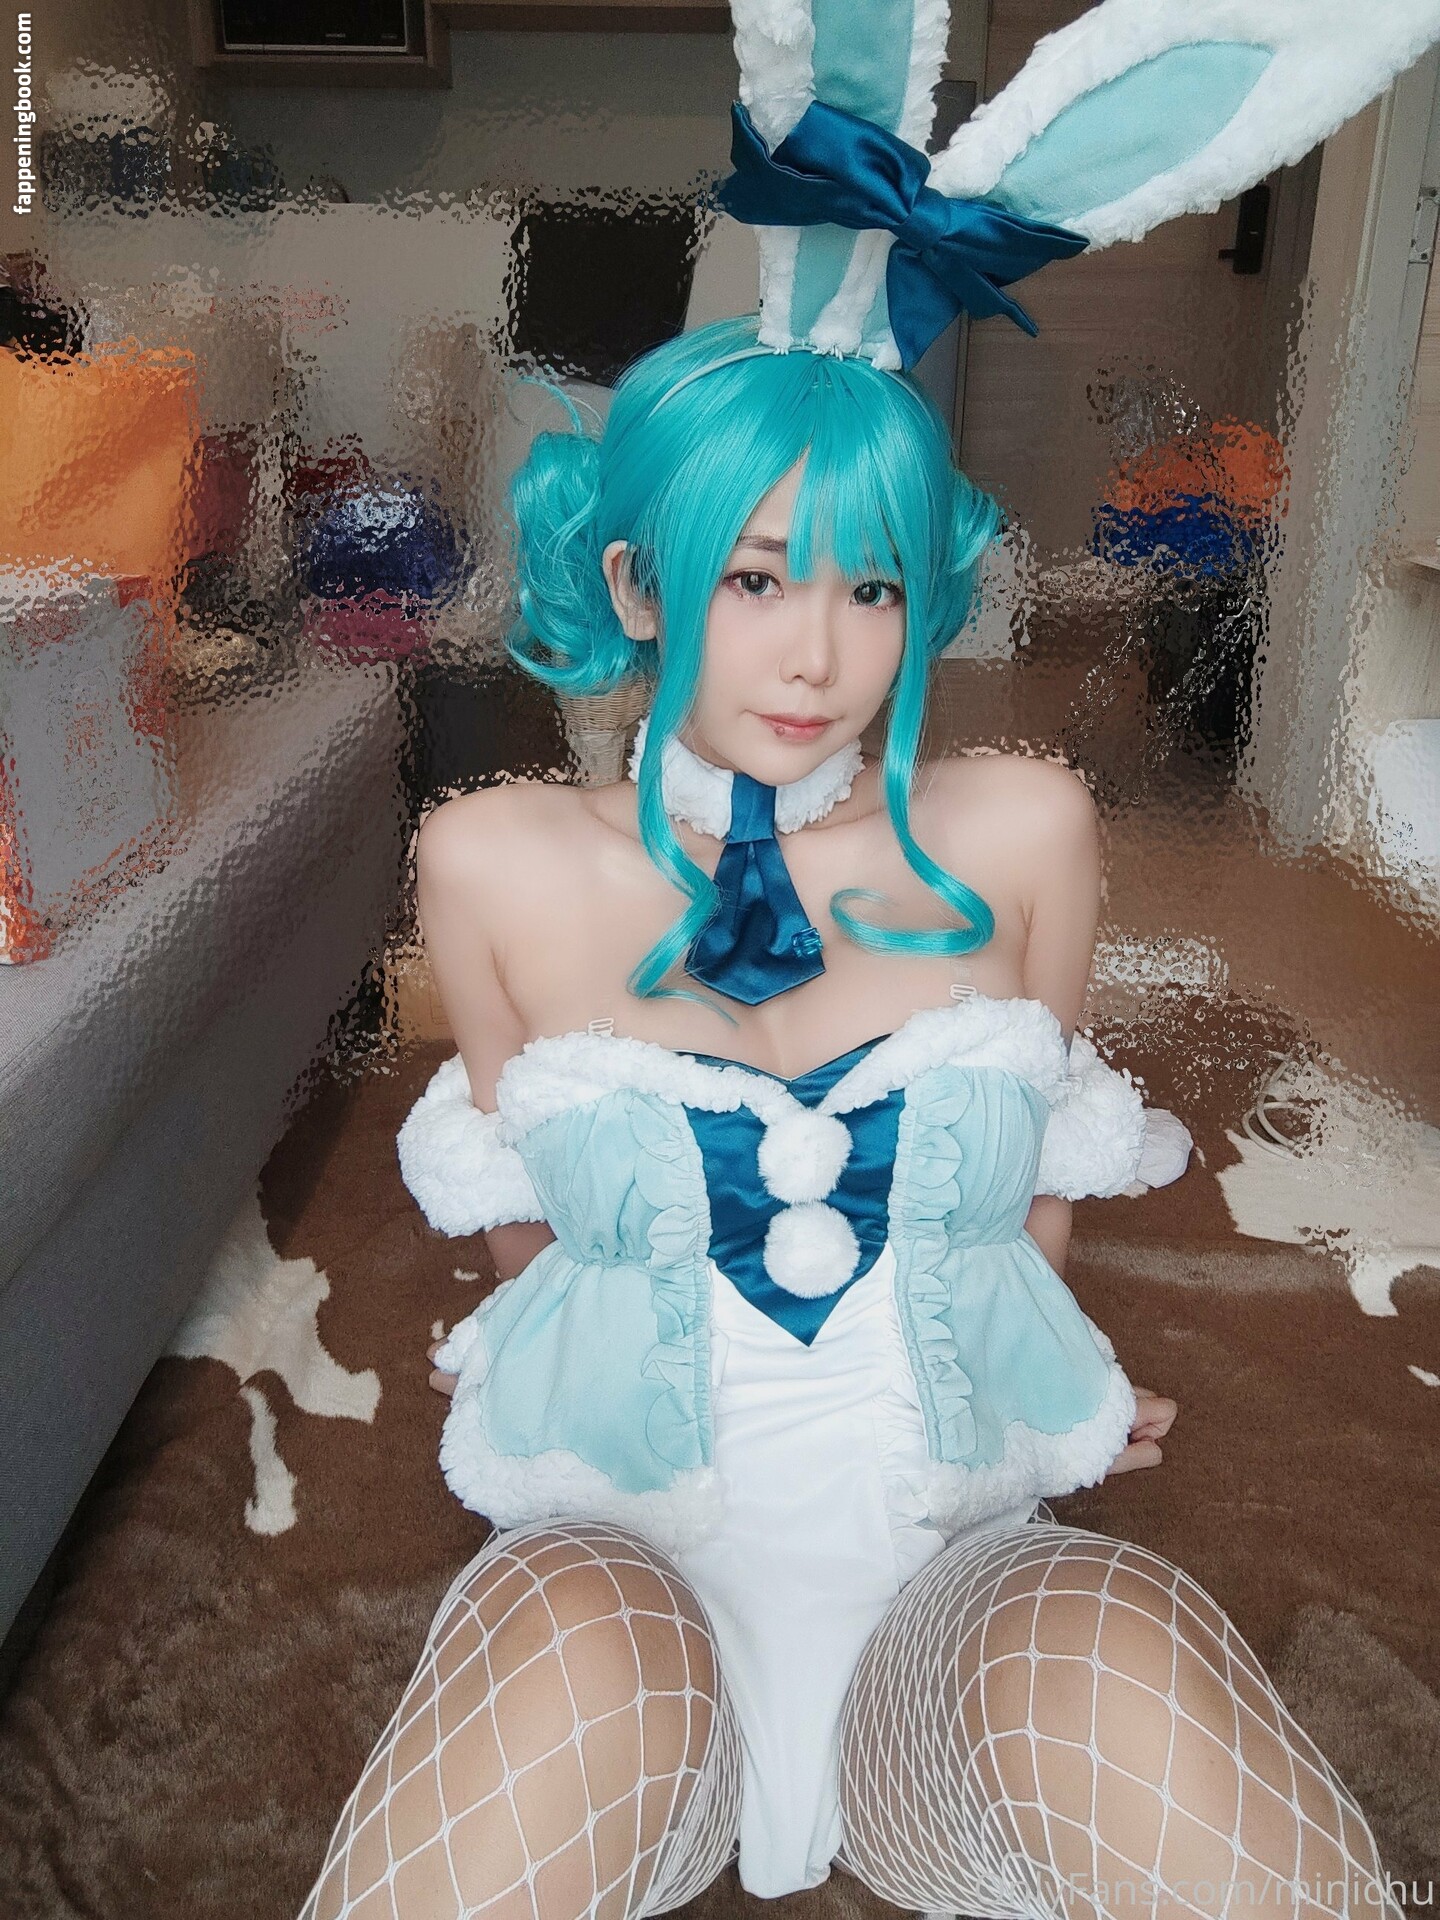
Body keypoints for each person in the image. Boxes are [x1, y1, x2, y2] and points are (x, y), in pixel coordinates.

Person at [297, 317, 1402, 1920]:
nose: (818, 656)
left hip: (943, 1577)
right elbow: (523, 1221)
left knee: (1123, 1658)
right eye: (756, 580)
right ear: (637, 588)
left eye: (870, 587)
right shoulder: (489, 860)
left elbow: (1037, 1187)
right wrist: (554, 1358)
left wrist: (1034, 1367)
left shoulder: (1025, 828)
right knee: (569, 1665)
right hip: (632, 1558)